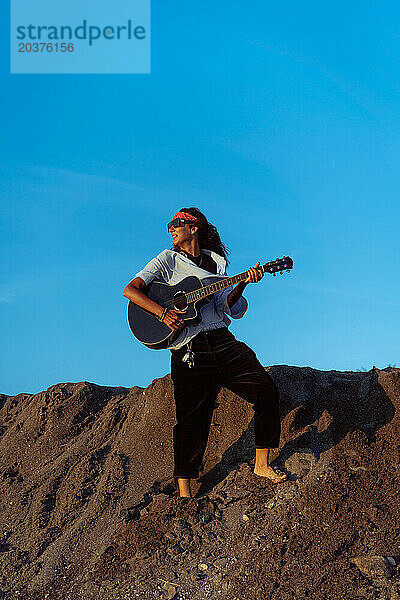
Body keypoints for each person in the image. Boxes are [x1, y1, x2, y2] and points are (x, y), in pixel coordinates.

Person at [123, 207, 288, 497]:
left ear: (194, 227)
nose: (171, 229)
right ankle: (184, 491)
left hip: (221, 339)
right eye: (170, 225)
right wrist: (162, 313)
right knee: (191, 419)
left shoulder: (217, 263)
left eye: (177, 224)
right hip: (188, 347)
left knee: (266, 391)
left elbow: (226, 305)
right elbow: (131, 290)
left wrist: (242, 285)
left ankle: (261, 464)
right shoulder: (166, 260)